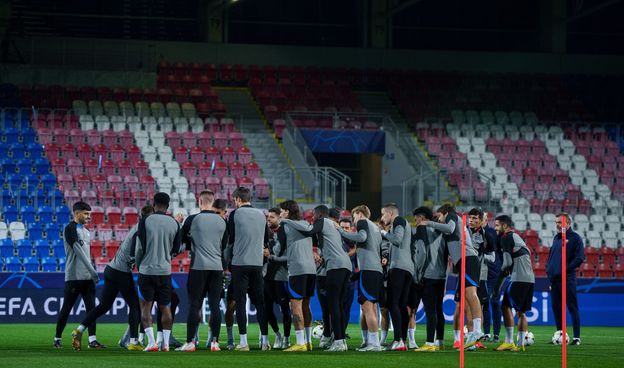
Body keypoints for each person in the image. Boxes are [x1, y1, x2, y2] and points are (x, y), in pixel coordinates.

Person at [71, 205, 154, 351]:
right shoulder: (143, 228)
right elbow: (137, 247)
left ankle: (79, 329)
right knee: (135, 306)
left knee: (104, 306)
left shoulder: (138, 226)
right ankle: (133, 342)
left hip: (111, 269)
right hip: (121, 271)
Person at [282, 205, 352, 352]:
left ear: (319, 214)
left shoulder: (323, 221)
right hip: (345, 265)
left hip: (336, 265)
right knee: (337, 305)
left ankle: (338, 341)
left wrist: (286, 221)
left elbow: (308, 230)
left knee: (333, 305)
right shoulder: (331, 226)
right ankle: (341, 341)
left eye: (313, 214)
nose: (312, 217)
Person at [424, 204, 483, 349]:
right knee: (466, 299)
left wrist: (429, 223)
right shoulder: (454, 224)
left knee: (471, 294)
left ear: (444, 213)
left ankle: (477, 330)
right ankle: (473, 332)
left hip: (467, 259)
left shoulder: (451, 216)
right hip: (464, 260)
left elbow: (449, 228)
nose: (438, 220)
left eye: (439, 217)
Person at [176, 192, 228, 352]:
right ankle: (215, 342)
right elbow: (224, 246)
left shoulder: (192, 219)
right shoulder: (222, 221)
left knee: (194, 305)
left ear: (200, 201)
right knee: (214, 306)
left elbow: (181, 241)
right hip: (217, 268)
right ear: (212, 203)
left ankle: (191, 342)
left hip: (198, 267)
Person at [135, 192, 181, 352]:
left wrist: (139, 265)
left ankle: (152, 342)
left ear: (153, 204)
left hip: (147, 270)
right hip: (164, 271)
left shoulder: (145, 221)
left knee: (145, 307)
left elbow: (140, 247)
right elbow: (176, 250)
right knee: (165, 307)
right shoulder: (175, 223)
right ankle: (166, 344)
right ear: (168, 206)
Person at [54, 201, 103, 349]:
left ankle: (92, 340)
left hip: (87, 278)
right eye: (85, 213)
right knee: (67, 308)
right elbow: (78, 251)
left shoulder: (87, 232)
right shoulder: (69, 229)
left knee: (92, 310)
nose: (88, 216)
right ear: (76, 213)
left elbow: (86, 255)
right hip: (74, 276)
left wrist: (90, 272)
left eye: (89, 214)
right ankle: (57, 338)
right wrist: (93, 270)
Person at [227, 187, 271, 351]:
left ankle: (244, 342)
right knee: (260, 302)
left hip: (240, 263)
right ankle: (265, 342)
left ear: (238, 199)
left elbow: (230, 238)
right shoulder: (261, 215)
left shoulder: (234, 214)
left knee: (240, 302)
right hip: (257, 263)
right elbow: (266, 240)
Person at [337, 205, 384, 352]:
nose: (354, 218)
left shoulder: (363, 222)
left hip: (368, 269)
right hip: (376, 270)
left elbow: (361, 237)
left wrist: (341, 232)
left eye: (354, 215)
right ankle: (372, 342)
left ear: (359, 213)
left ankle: (374, 344)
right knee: (372, 308)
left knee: (367, 307)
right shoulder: (375, 227)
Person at [276, 200, 316, 352]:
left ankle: (300, 342)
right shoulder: (306, 224)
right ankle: (308, 341)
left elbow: (279, 250)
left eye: (281, 211)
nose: (280, 214)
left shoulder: (284, 226)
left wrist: (270, 252)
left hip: (297, 269)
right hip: (311, 269)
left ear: (287, 212)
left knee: (296, 305)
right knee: (306, 305)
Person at [493, 215, 535, 352]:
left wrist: (498, 281)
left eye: (497, 225)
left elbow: (507, 263)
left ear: (505, 226)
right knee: (521, 313)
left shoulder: (506, 237)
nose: (495, 228)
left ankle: (509, 341)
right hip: (530, 279)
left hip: (518, 279)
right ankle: (521, 344)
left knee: (505, 306)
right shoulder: (518, 239)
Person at [379, 203, 414, 351]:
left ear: (391, 213)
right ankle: (402, 341)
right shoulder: (403, 223)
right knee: (401, 305)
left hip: (399, 267)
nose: (382, 218)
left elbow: (397, 240)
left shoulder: (399, 221)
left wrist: (383, 233)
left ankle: (398, 339)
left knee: (393, 303)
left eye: (383, 214)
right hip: (407, 268)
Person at [547, 212, 585, 346]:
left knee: (572, 307)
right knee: (556, 308)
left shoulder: (576, 238)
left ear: (568, 223)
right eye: (556, 222)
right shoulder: (557, 238)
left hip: (568, 279)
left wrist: (566, 269)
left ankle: (576, 338)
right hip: (555, 280)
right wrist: (550, 274)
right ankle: (560, 335)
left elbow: (580, 258)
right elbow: (552, 257)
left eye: (560, 222)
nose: (557, 225)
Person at [414, 206, 448, 352]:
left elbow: (421, 252)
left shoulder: (422, 229)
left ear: (422, 218)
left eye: (416, 219)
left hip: (428, 274)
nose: (415, 222)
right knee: (439, 309)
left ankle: (429, 343)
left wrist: (417, 273)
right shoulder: (441, 231)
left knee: (430, 310)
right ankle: (439, 341)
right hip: (441, 275)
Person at [264, 207, 292, 349]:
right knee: (267, 309)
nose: (269, 219)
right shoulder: (264, 233)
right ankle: (277, 334)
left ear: (279, 218)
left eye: (272, 217)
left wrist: (272, 257)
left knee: (285, 309)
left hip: (281, 277)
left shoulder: (285, 233)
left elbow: (290, 257)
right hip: (266, 277)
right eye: (268, 217)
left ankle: (287, 338)